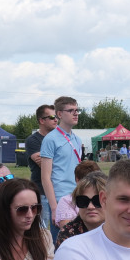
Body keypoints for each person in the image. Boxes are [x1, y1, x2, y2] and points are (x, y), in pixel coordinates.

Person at [40, 95, 84, 239]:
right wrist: (54, 207)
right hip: (60, 200)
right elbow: (45, 177)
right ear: (59, 114)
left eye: (77, 110)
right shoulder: (50, 139)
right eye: (71, 110)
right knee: (61, 245)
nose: (76, 113)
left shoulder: (77, 139)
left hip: (78, 198)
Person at [55, 171, 108, 249]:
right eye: (83, 201)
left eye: (97, 201)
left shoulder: (123, 230)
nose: (90, 207)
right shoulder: (67, 234)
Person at [25, 104, 57, 228]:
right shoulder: (33, 140)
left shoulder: (59, 139)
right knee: (40, 229)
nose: (56, 119)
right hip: (41, 192)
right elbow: (43, 163)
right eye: (52, 117)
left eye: (56, 116)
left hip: (58, 191)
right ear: (41, 120)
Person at [54, 161, 101, 227]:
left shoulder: (105, 198)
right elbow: (67, 229)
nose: (90, 207)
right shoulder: (67, 201)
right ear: (77, 180)